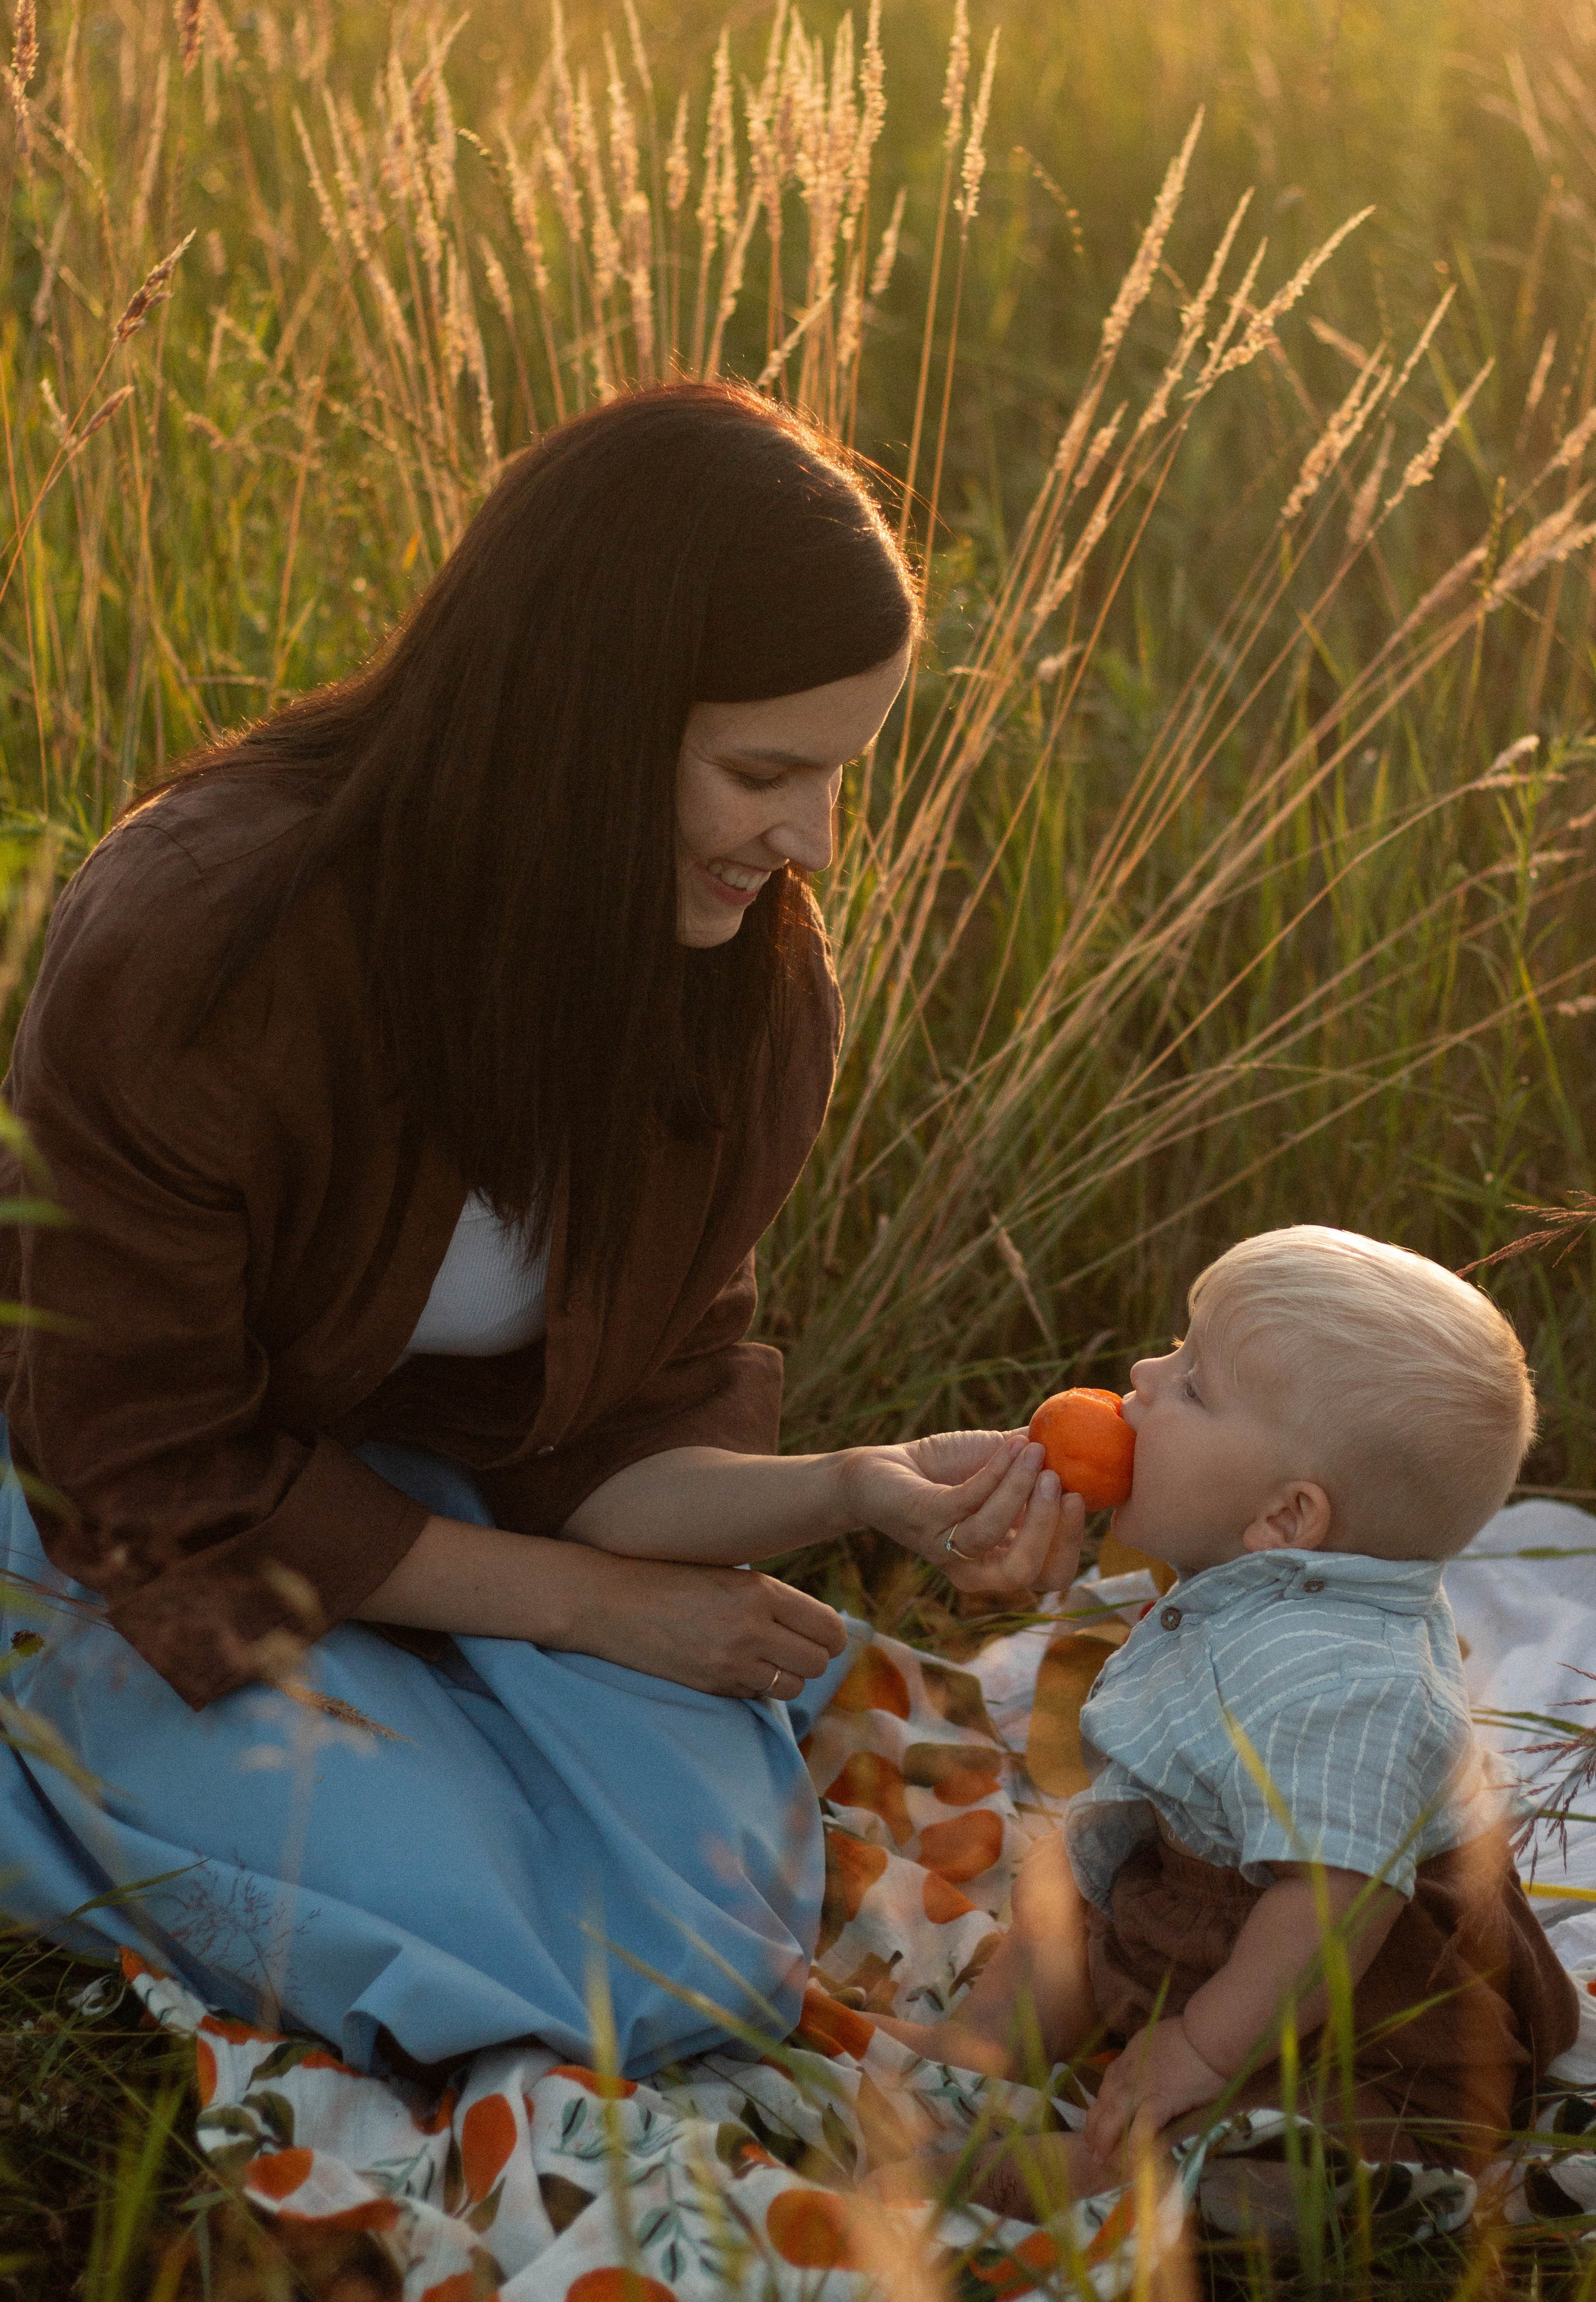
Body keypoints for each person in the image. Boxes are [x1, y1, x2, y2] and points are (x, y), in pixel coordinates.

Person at [0, 383, 1078, 2081]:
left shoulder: (749, 990)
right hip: (123, 1532)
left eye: (839, 776)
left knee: (706, 1940)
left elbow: (634, 1407)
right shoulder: (206, 949)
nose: (809, 844)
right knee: (521, 1962)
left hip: (445, 1508)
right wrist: (574, 1608)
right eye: (765, 772)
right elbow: (140, 1456)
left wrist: (853, 1487)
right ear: (581, 721)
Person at [877, 1225, 1579, 2184]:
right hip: (1216, 1898)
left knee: (1238, 2151)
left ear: (1287, 1518)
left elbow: (1338, 1909)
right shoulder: (1253, 1575)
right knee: (1071, 1906)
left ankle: (1036, 2176)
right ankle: (978, 2054)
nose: (1141, 1374)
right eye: (1177, 1347)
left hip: (1364, 2018)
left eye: (1193, 1383)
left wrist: (1205, 2051)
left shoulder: (1347, 1686)